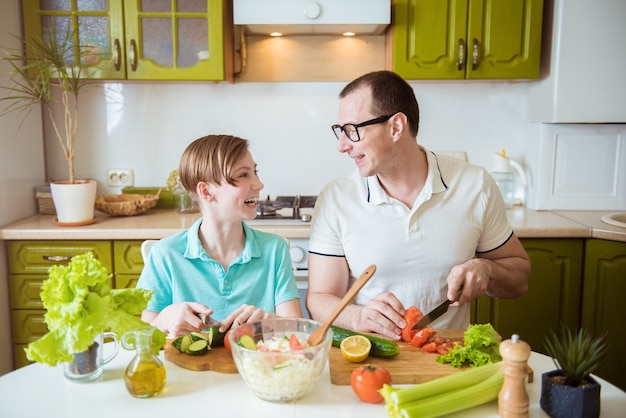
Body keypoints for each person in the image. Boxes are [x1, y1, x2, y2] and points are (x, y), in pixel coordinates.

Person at [306, 71, 530, 341]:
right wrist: (358, 316)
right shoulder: (336, 198)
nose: (342, 146)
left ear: (396, 127)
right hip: (368, 359)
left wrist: (488, 270)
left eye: (353, 131)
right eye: (340, 132)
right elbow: (318, 298)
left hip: (446, 358)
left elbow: (519, 279)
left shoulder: (475, 185)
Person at [137, 134, 302, 337]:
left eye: (255, 172)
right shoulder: (165, 254)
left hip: (256, 366)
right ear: (206, 192)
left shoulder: (274, 249)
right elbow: (142, 337)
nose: (259, 184)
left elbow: (297, 331)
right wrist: (166, 318)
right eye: (243, 175)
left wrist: (269, 323)